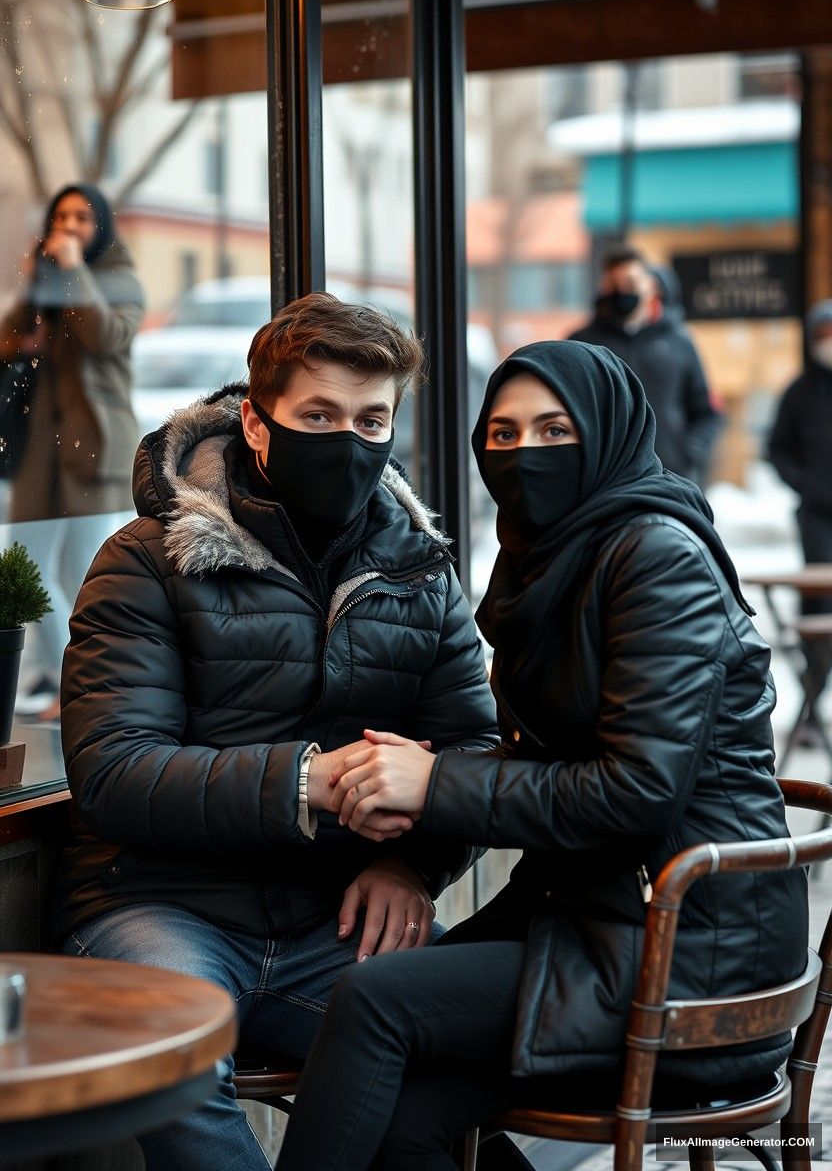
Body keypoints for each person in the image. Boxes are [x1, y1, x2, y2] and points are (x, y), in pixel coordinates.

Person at [275, 340, 808, 1171]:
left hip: (693, 948)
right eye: (503, 435)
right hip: (594, 915)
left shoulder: (653, 556)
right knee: (398, 1113)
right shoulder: (548, 563)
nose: (526, 455)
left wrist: (434, 782)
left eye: (556, 430)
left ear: (607, 433)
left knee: (373, 1004)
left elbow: (638, 791)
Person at [51, 292, 501, 1171]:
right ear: (257, 426)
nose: (349, 442)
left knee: (469, 1050)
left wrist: (411, 865)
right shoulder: (146, 560)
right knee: (176, 1066)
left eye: (373, 420)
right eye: (319, 415)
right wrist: (308, 782)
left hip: (331, 923)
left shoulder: (420, 571)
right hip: (159, 907)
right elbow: (114, 770)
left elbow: (471, 752)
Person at [0, 183, 144, 721]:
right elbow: (9, 341)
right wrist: (37, 284)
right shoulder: (52, 283)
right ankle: (69, 681)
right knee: (26, 568)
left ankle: (82, 691)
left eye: (82, 218)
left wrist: (72, 270)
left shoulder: (119, 281)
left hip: (96, 449)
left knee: (86, 576)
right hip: (41, 451)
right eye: (62, 217)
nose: (70, 227)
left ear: (101, 226)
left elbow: (105, 336)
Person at [570, 244, 721, 484]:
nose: (621, 292)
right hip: (603, 482)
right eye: (613, 285)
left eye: (630, 283)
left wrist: (689, 453)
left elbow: (706, 412)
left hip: (671, 478)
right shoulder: (581, 344)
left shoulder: (679, 342)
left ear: (651, 287)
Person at [769, 298, 832, 745]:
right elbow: (777, 450)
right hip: (817, 517)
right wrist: (805, 484)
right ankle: (811, 711)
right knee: (821, 612)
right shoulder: (799, 392)